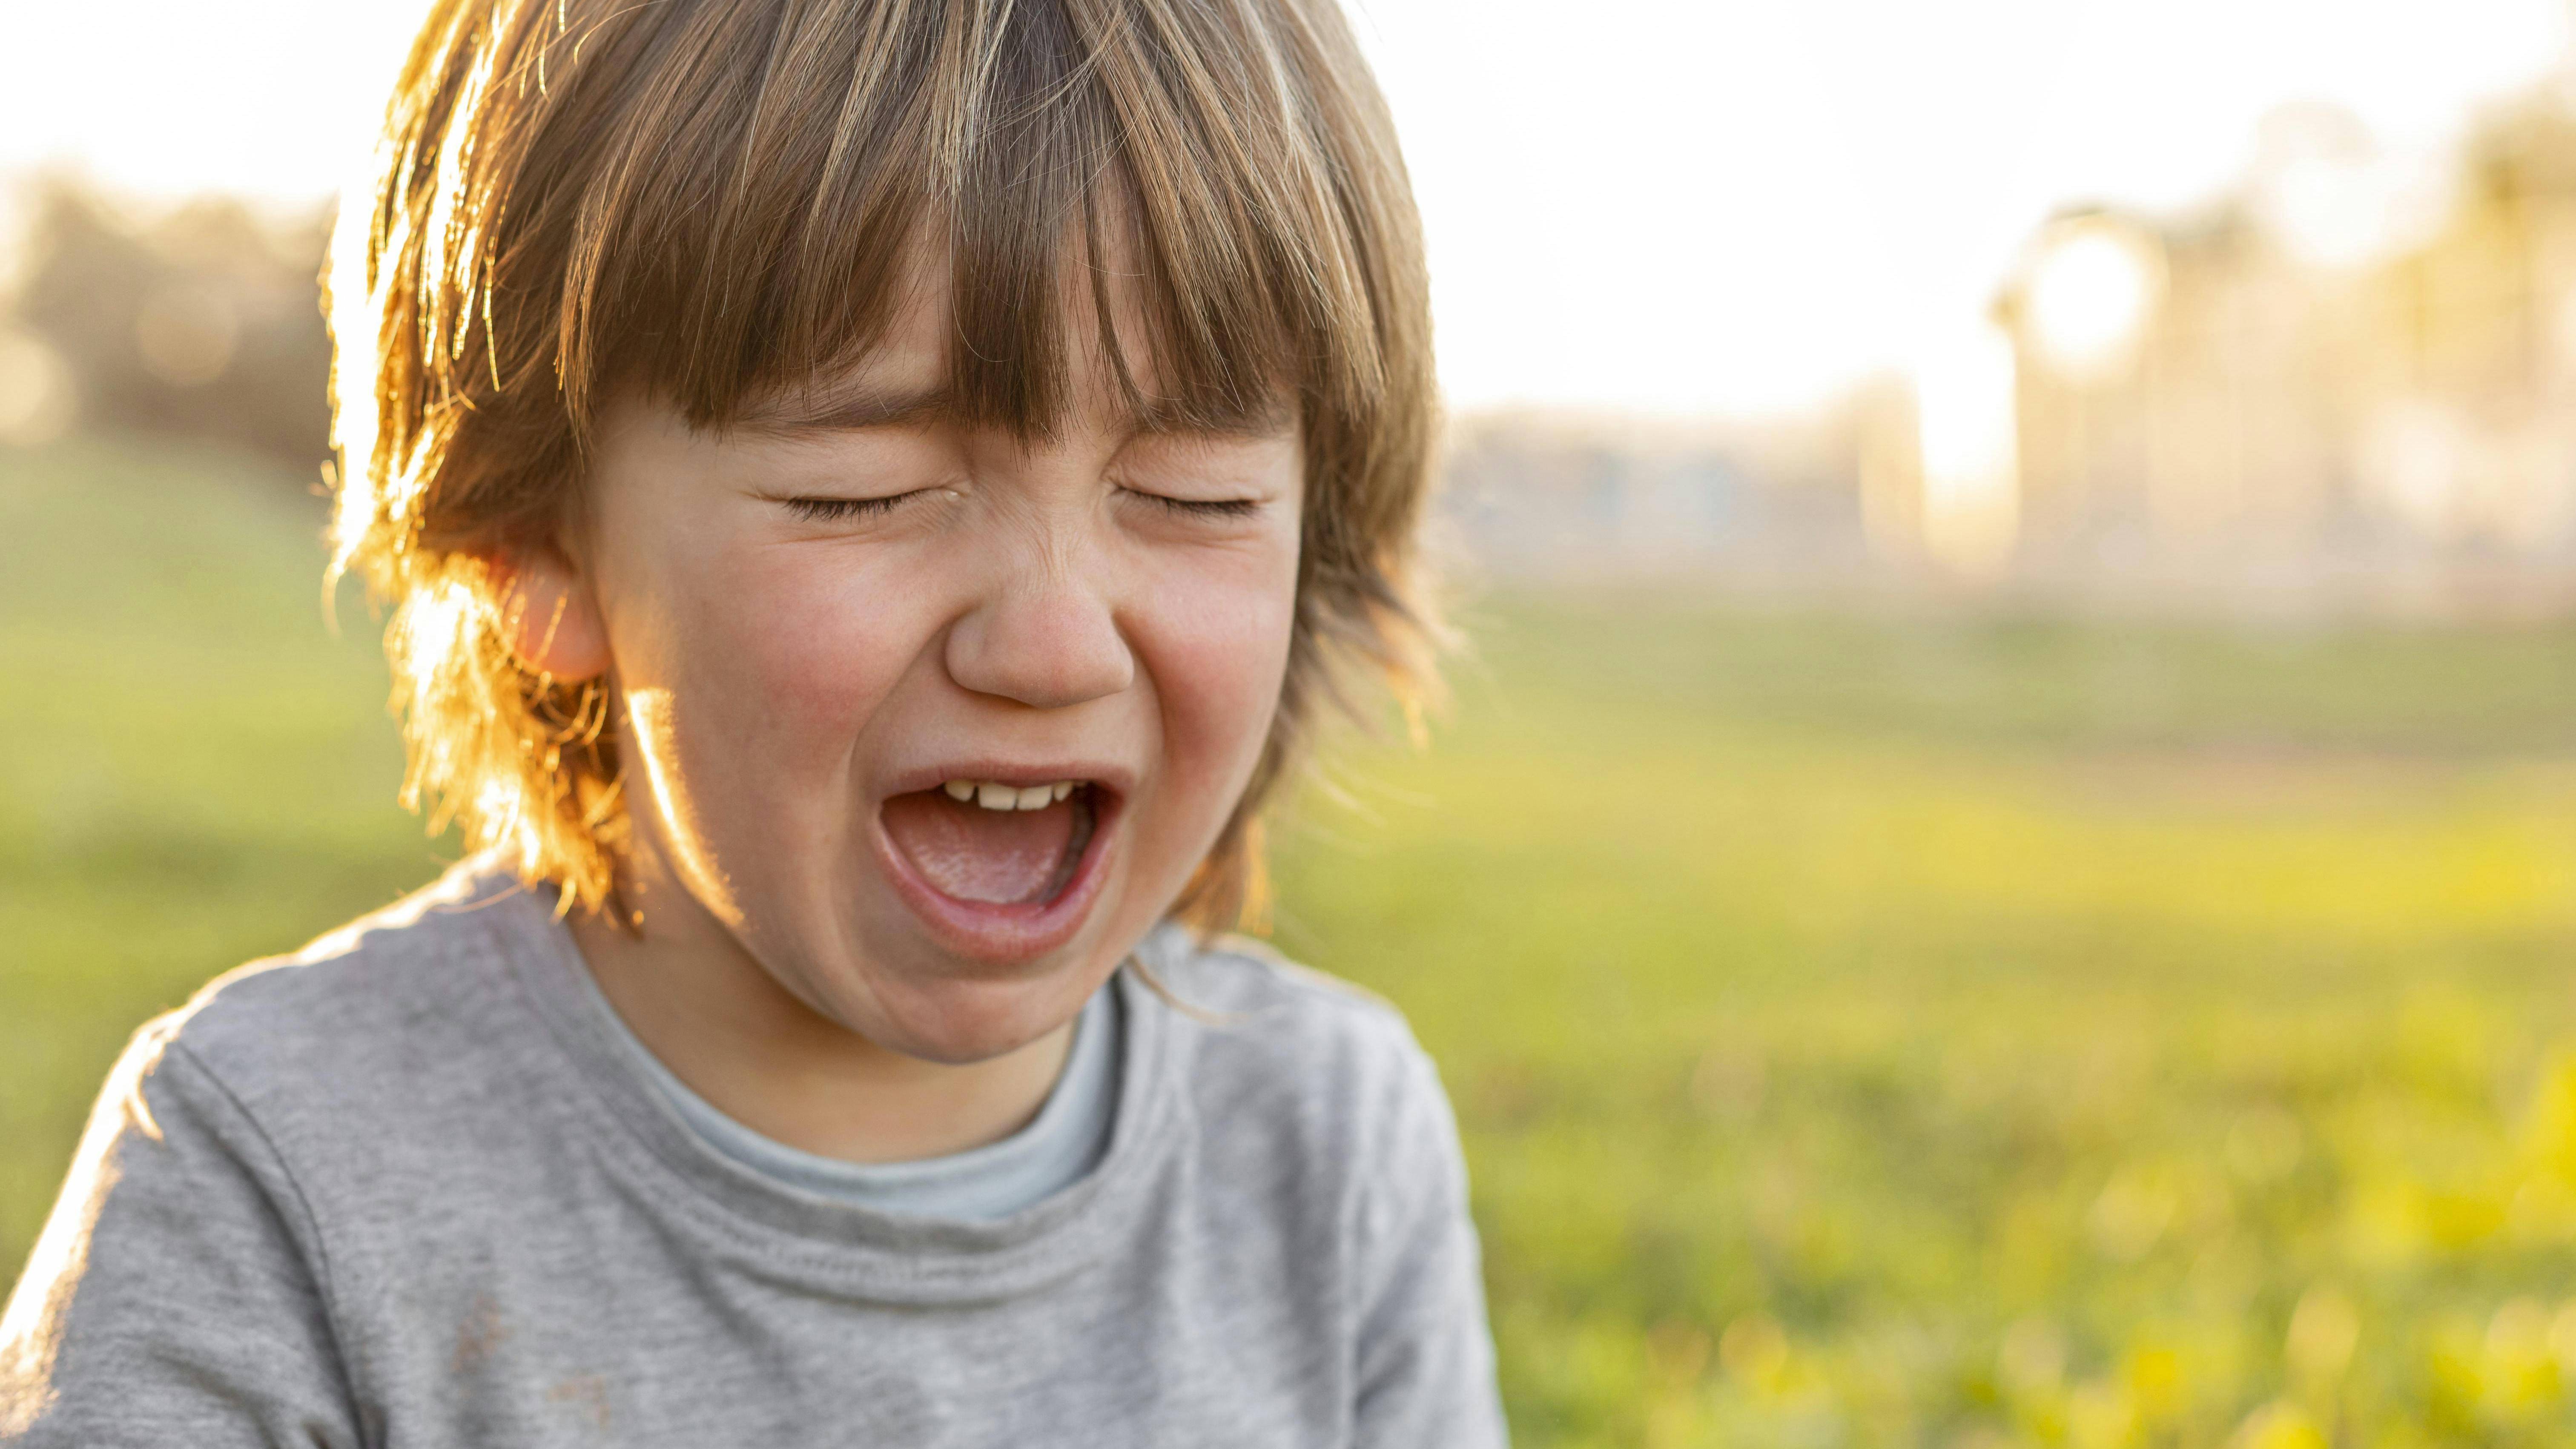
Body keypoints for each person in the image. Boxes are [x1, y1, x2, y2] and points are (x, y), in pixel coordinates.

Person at [0, 0, 1503, 1442]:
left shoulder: (1330, 1149)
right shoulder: (273, 1187)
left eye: (1196, 497)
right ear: (534, 543)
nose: (1052, 645)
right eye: (861, 492)